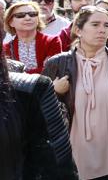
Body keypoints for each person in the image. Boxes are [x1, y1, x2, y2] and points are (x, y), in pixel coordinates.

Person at [42, 6, 108, 179]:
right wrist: (54, 91)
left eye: (107, 25)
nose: (102, 30)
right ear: (78, 30)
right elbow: (38, 111)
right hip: (73, 155)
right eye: (95, 24)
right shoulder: (57, 63)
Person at [0, 15, 77, 179]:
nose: (27, 18)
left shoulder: (30, 89)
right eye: (20, 15)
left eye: (31, 14)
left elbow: (58, 164)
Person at [3, 1, 62, 74]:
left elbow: (51, 70)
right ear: (11, 22)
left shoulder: (53, 41)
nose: (28, 18)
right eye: (20, 15)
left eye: (33, 14)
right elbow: (6, 75)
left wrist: (20, 75)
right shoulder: (5, 48)